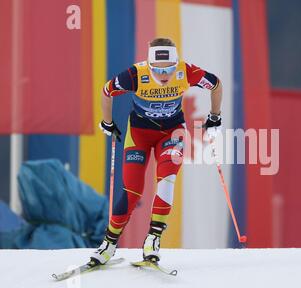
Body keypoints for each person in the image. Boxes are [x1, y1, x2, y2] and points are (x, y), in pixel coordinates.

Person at [90, 38, 223, 265]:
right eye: (158, 70)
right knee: (132, 191)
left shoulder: (186, 71)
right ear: (149, 64)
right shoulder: (135, 74)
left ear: (176, 63)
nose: (164, 75)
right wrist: (107, 122)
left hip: (172, 133)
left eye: (170, 69)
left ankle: (153, 238)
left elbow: (216, 84)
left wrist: (214, 116)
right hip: (139, 134)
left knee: (167, 179)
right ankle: (109, 243)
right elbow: (106, 91)